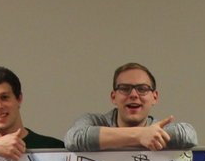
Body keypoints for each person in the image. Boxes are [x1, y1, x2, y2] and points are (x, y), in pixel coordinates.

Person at [65, 62, 197, 152]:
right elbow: (73, 138)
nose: (133, 95)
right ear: (113, 97)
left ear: (154, 97)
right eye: (124, 88)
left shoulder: (158, 130)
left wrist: (149, 135)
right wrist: (140, 135)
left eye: (142, 89)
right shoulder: (94, 121)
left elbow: (188, 135)